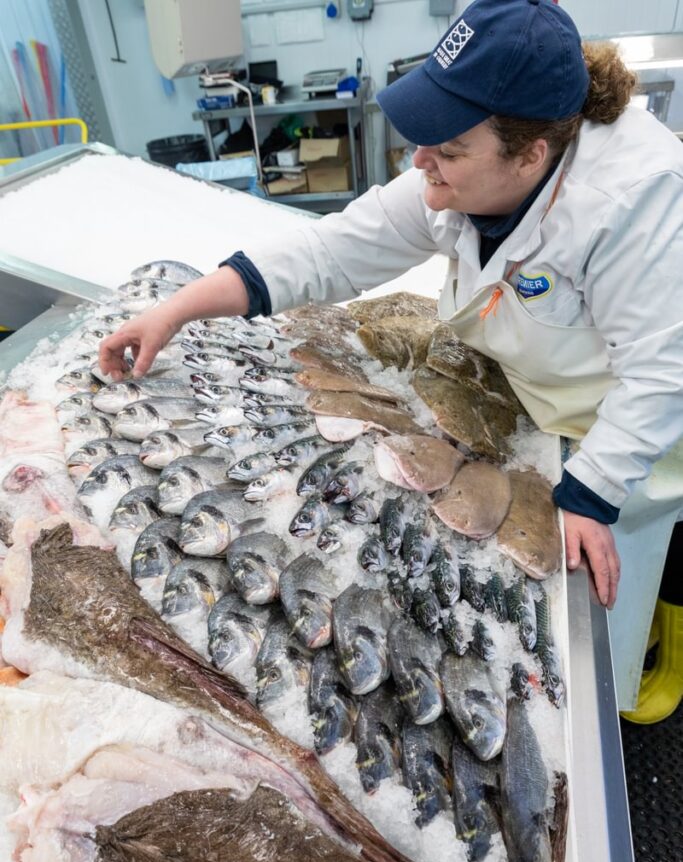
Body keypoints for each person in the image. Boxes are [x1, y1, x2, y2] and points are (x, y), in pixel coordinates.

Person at [100, 0, 683, 718]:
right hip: (545, 400)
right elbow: (330, 251)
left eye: (448, 148)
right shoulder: (468, 169)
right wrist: (177, 307)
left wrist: (592, 493)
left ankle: (654, 653)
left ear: (529, 154)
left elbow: (661, 373)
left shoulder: (638, 199)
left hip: (634, 427)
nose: (419, 161)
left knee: (612, 595)